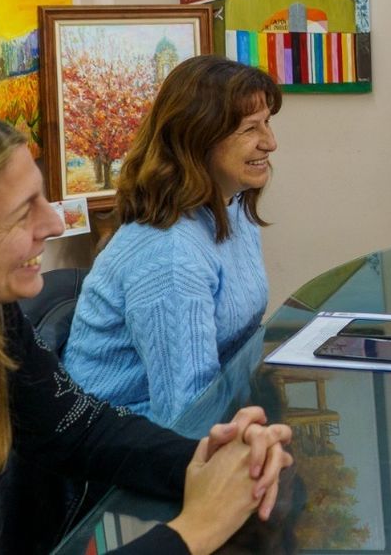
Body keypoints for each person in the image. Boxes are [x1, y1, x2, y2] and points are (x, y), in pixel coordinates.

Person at [0, 107, 293, 554]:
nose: (55, 224)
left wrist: (208, 460)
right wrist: (197, 530)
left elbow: (76, 429)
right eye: (23, 213)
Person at [65, 55, 282, 426]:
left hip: (216, 415)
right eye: (250, 129)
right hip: (126, 450)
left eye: (267, 123)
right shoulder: (169, 255)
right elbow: (185, 416)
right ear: (198, 138)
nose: (270, 143)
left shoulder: (232, 208)